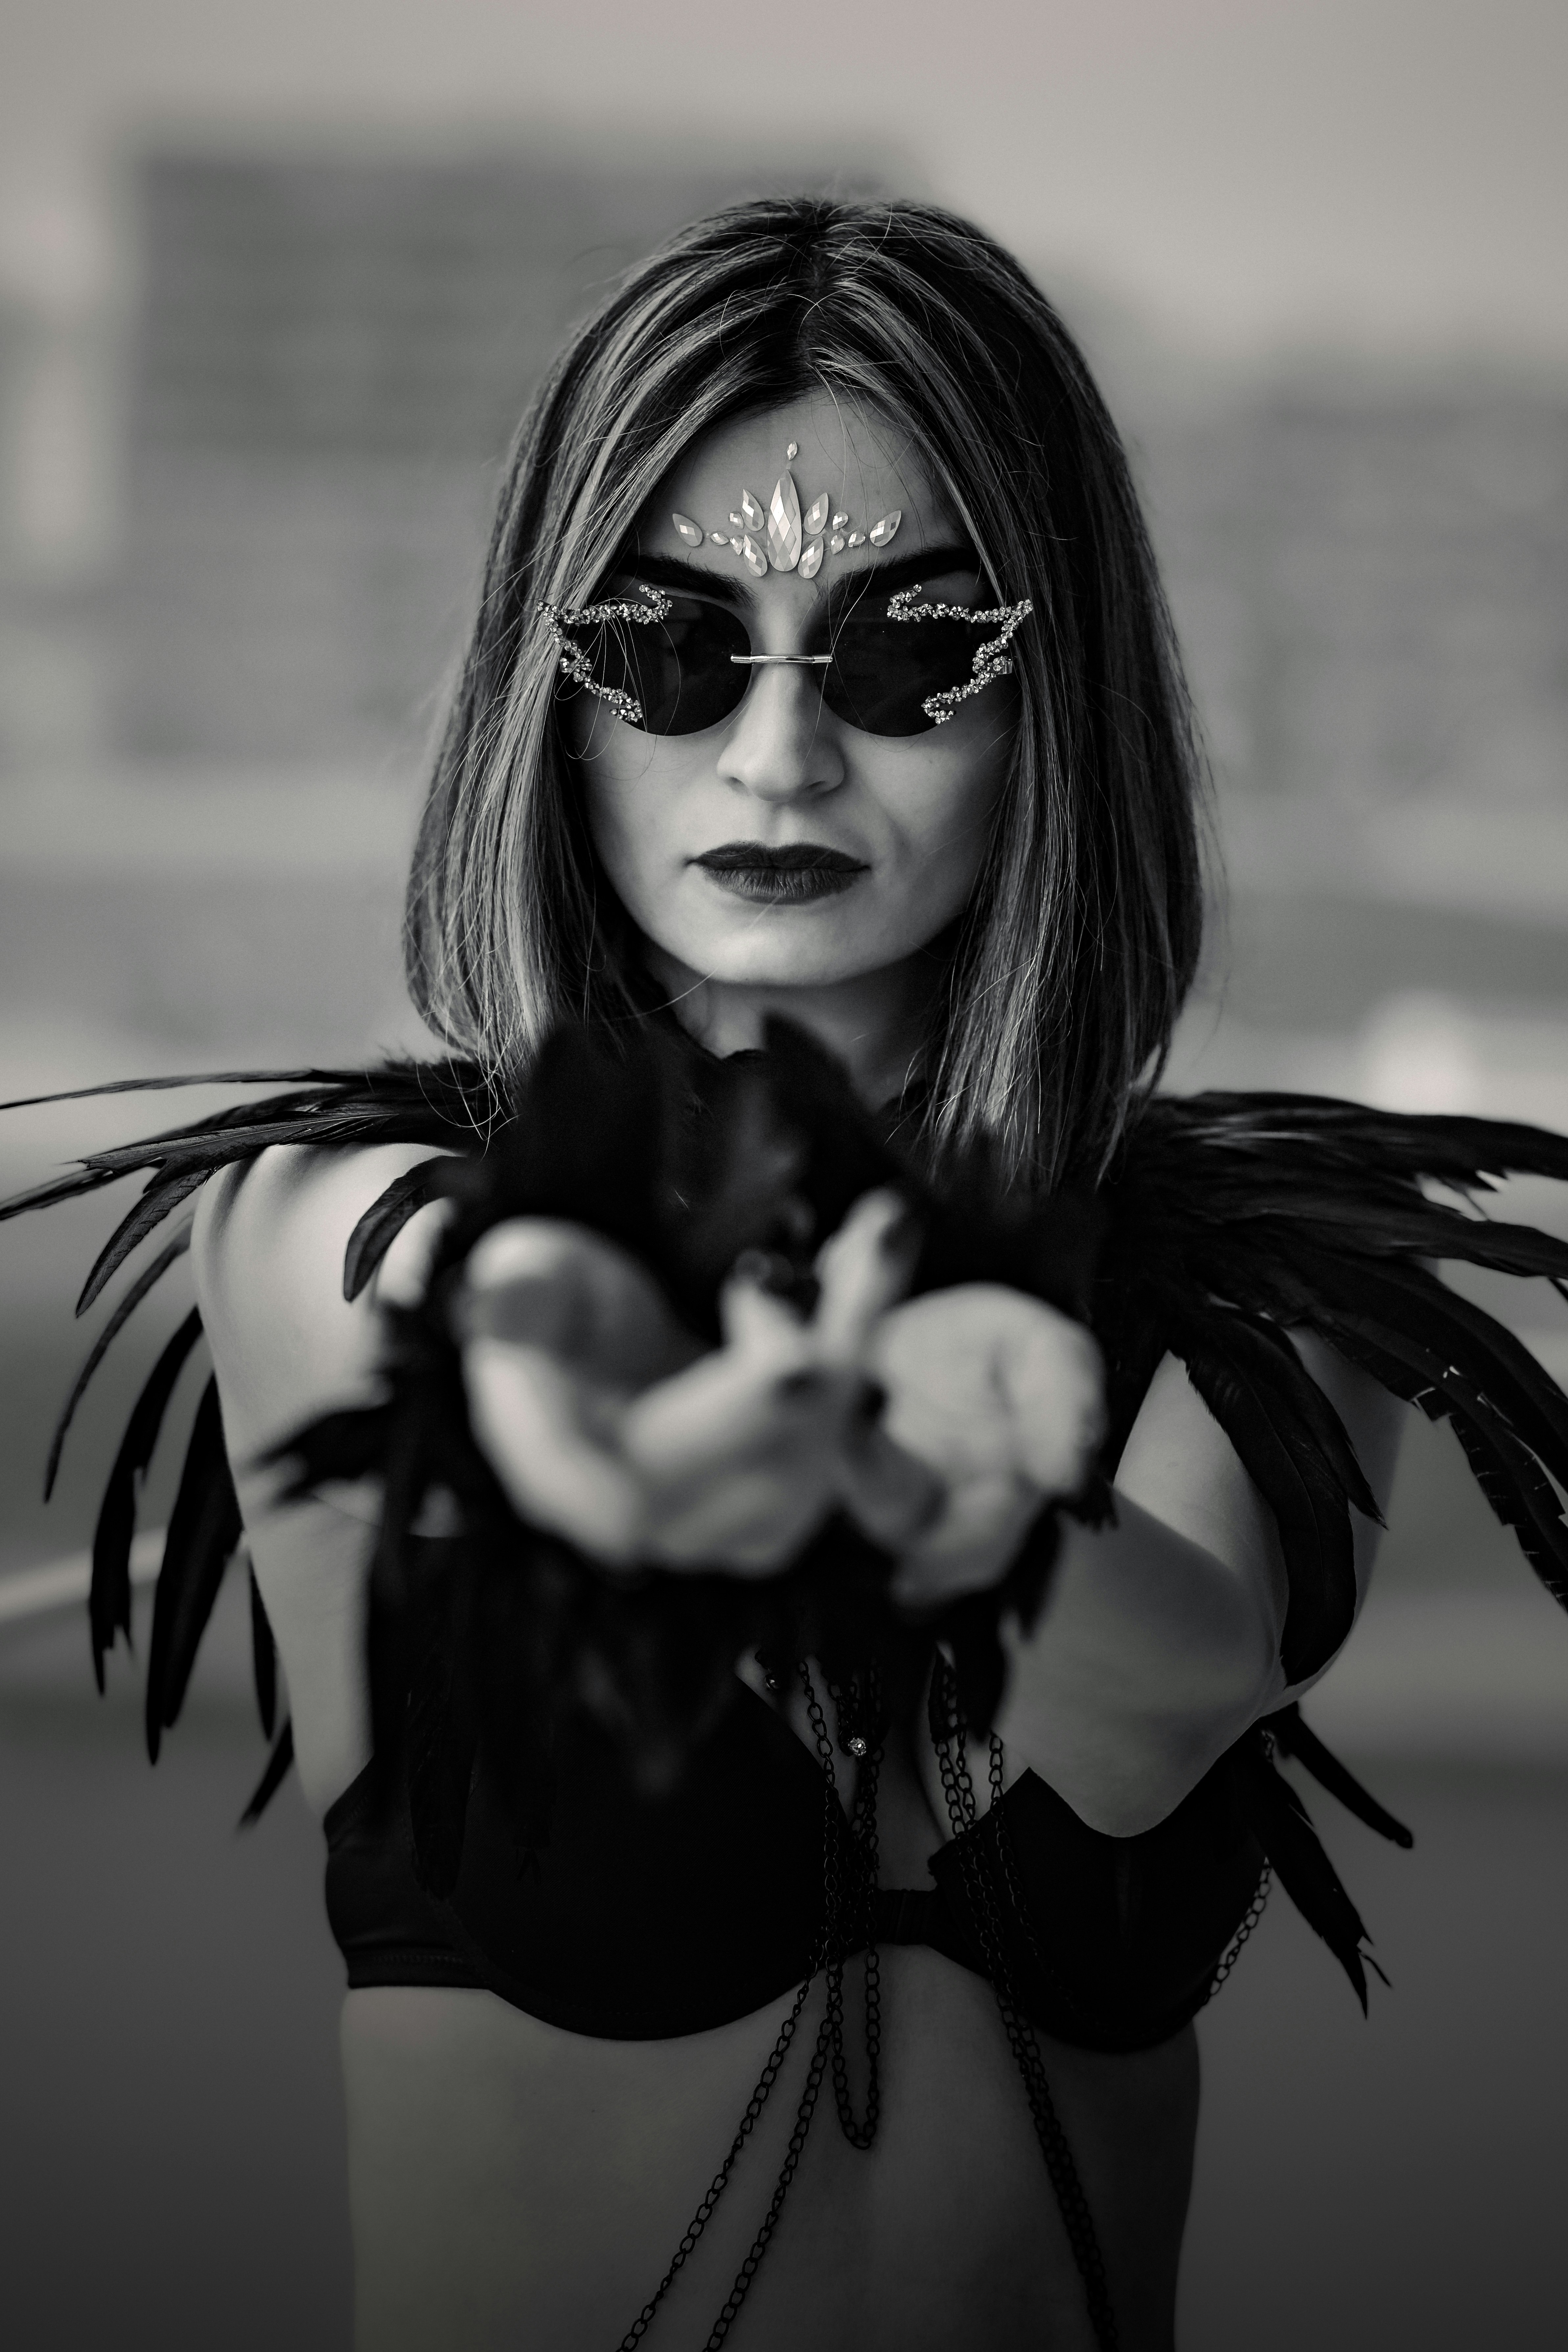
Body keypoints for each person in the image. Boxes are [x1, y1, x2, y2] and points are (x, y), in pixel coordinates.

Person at [10, 197, 1568, 2352]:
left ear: (1057, 702)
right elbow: (531, 1373)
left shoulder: (1270, 1296)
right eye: (661, 649)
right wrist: (659, 1419)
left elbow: (1158, 1702)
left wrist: (907, 1467)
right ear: (547, 702)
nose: (772, 756)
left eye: (908, 650)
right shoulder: (336, 1229)